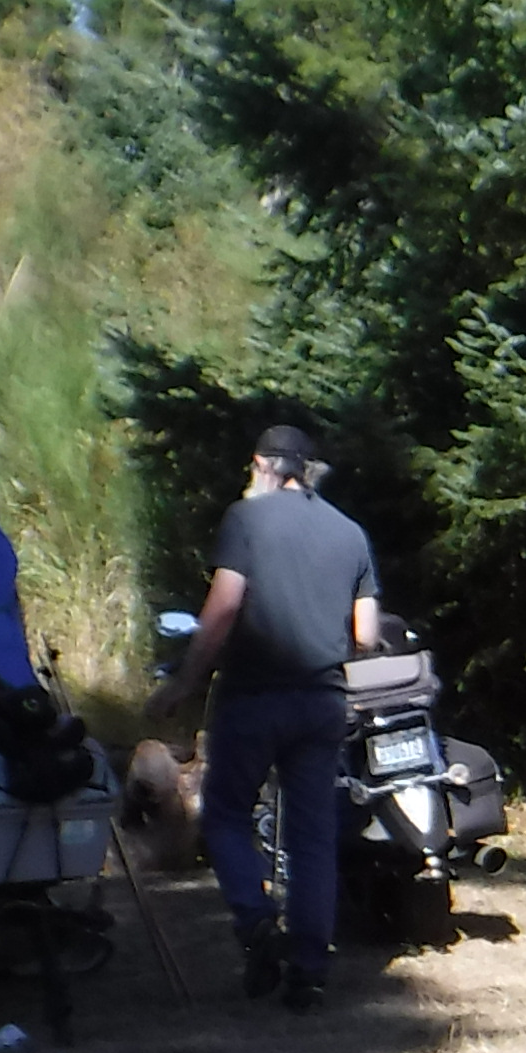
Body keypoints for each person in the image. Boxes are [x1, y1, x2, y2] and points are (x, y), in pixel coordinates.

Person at [155, 426, 379, 1012]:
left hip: (253, 697)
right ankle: (309, 971)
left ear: (261, 464)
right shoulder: (349, 532)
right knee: (312, 836)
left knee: (226, 813)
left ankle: (256, 919)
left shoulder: (246, 519)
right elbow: (366, 634)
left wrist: (184, 683)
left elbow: (223, 608)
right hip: (322, 703)